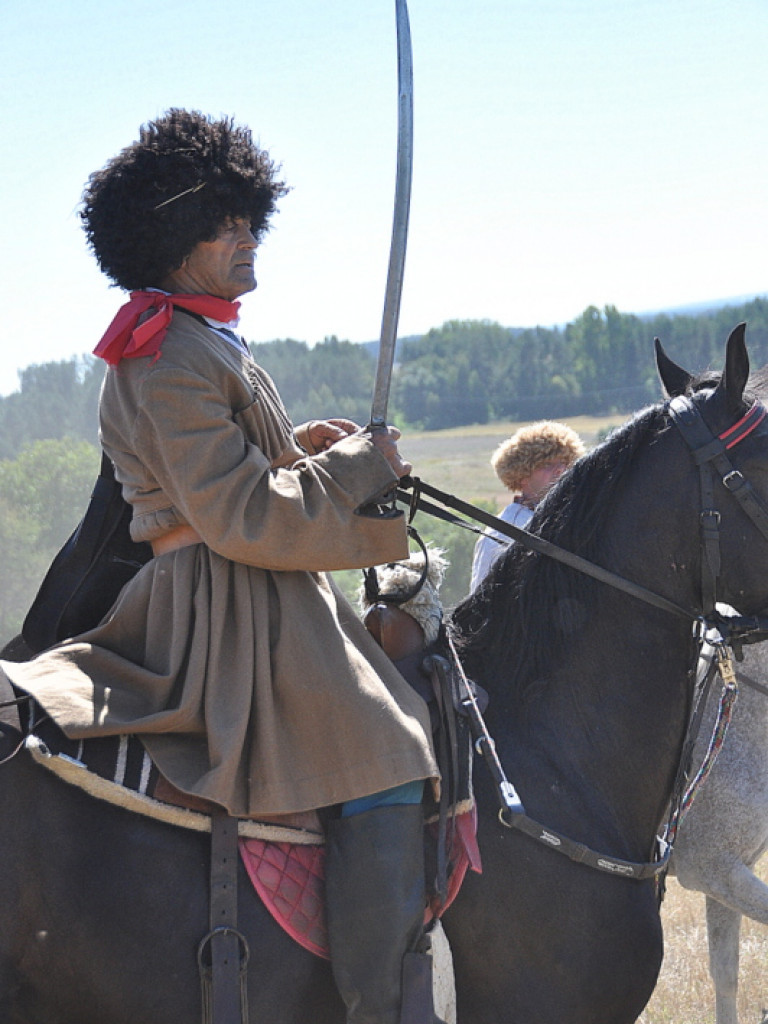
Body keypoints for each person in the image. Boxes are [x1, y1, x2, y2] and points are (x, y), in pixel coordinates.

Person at [0, 110, 441, 1024]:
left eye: (248, 221)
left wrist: (304, 449)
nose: (245, 242)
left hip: (252, 582)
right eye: (220, 225)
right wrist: (357, 469)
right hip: (229, 608)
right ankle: (382, 1006)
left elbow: (243, 477)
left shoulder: (203, 335)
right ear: (168, 241)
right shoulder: (167, 353)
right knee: (391, 750)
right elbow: (237, 517)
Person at [470, 420, 585, 590]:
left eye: (565, 463)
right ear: (522, 475)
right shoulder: (501, 534)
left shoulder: (577, 521)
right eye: (547, 464)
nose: (560, 470)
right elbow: (480, 604)